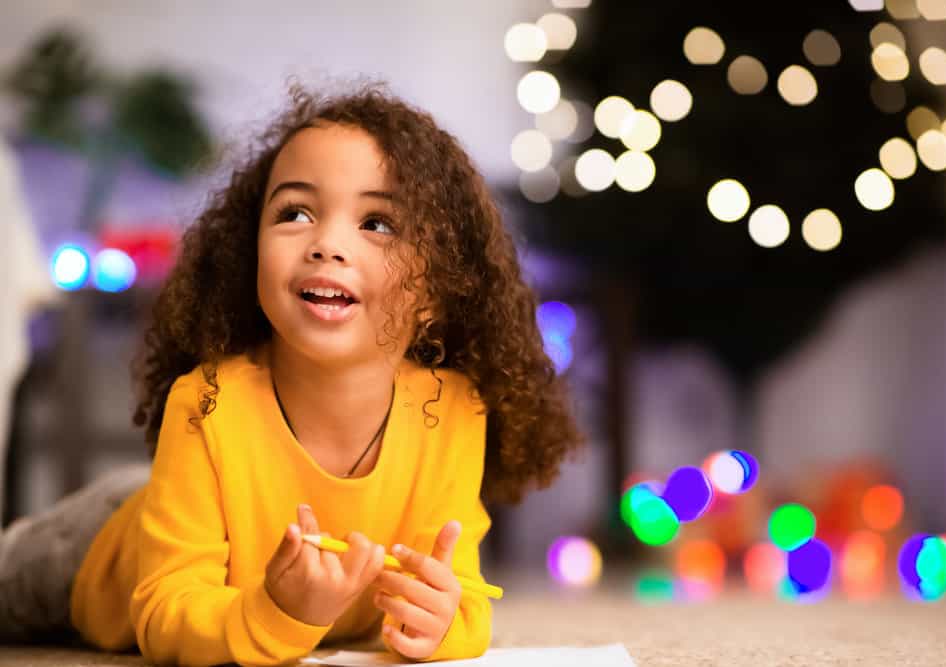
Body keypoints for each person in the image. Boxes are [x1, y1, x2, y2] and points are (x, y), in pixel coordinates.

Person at [0, 82, 583, 665]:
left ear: (437, 288)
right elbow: (163, 613)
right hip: (92, 551)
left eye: (378, 223)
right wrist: (275, 611)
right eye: (295, 212)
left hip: (172, 503)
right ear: (248, 250)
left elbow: (464, 602)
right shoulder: (205, 403)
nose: (327, 243)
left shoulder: (454, 409)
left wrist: (442, 620)